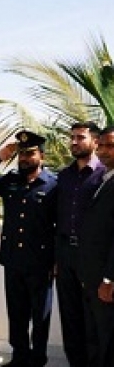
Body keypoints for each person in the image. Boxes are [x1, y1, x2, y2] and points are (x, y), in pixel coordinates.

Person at [0, 130, 57, 367]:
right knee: (17, 313)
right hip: (12, 260)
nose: (24, 158)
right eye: (21, 154)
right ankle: (19, 356)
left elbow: (60, 225)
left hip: (41, 262)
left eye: (29, 153)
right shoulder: (10, 181)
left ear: (41, 156)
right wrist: (0, 156)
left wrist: (56, 260)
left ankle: (38, 358)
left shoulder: (54, 185)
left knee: (40, 315)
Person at [55, 121, 104, 367]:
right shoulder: (64, 175)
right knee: (70, 314)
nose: (74, 142)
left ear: (95, 141)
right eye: (72, 137)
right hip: (65, 253)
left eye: (80, 137)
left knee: (94, 317)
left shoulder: (105, 175)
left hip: (92, 256)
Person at [79, 126, 114, 367]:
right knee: (96, 337)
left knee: (109, 339)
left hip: (106, 280)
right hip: (93, 276)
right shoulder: (105, 179)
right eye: (100, 145)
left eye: (110, 146)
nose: (103, 151)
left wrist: (110, 279)